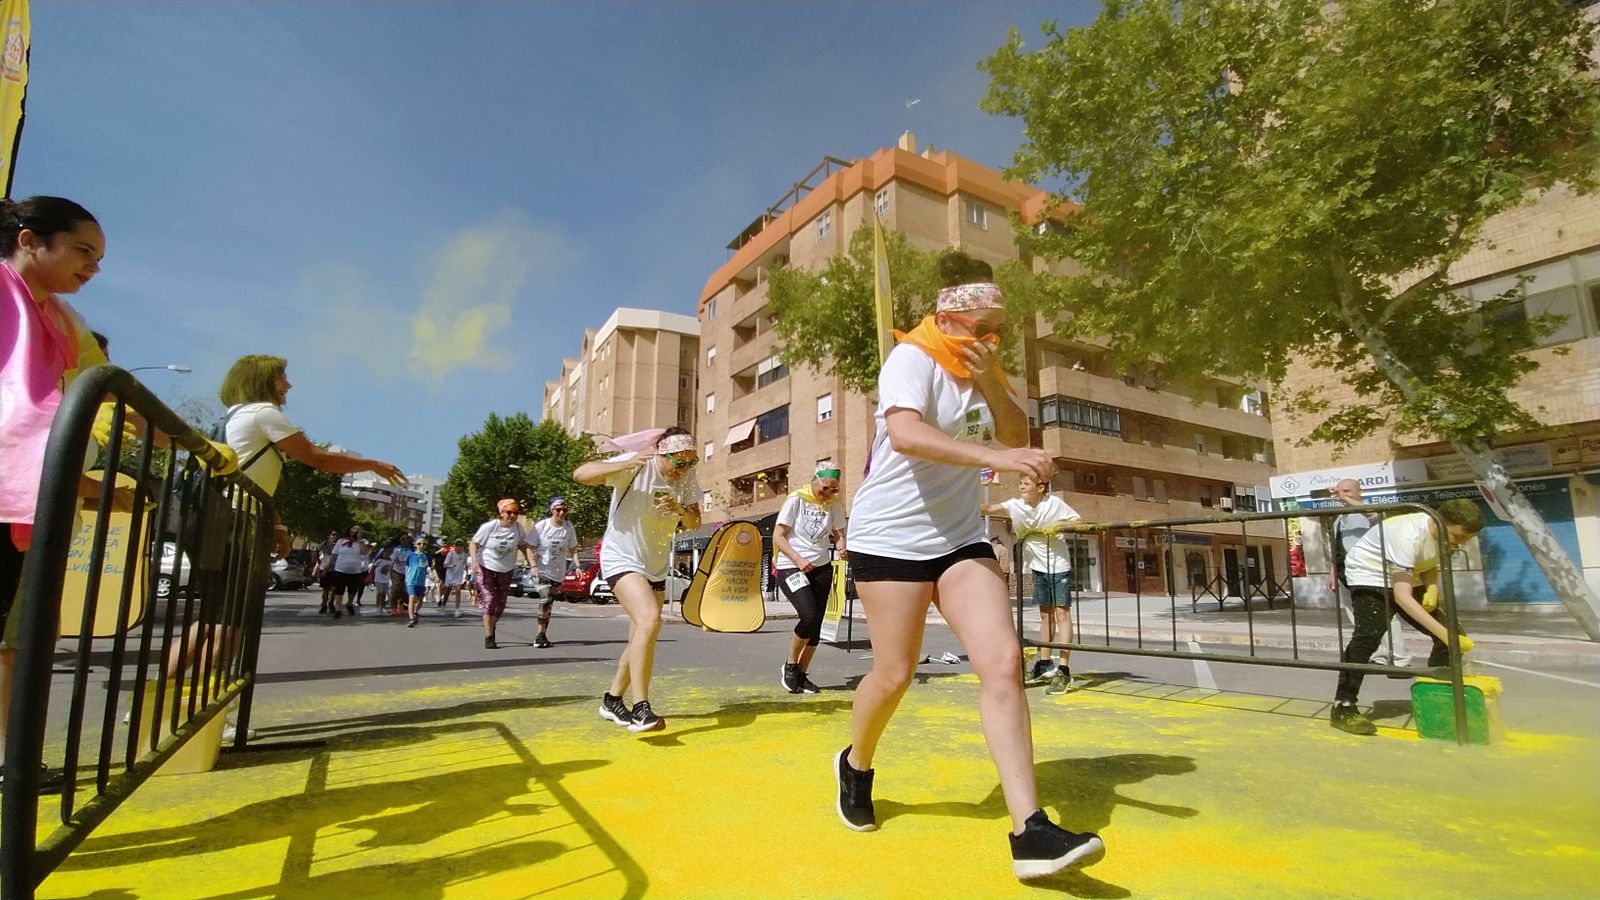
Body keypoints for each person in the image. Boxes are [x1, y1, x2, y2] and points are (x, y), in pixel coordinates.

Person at [833, 252, 1104, 879]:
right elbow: (904, 435)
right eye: (984, 326)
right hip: (890, 538)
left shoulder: (984, 365)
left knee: (1003, 662)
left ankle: (1030, 831)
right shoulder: (913, 358)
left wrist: (988, 383)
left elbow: (1016, 432)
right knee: (894, 675)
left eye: (999, 329)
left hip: (959, 539)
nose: (994, 337)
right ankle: (857, 763)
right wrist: (1000, 460)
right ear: (951, 315)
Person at [574, 426, 701, 734]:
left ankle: (612, 700)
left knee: (642, 637)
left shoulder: (685, 478)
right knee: (650, 620)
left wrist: (680, 509)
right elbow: (582, 473)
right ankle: (641, 708)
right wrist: (623, 463)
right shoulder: (637, 464)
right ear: (662, 453)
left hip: (654, 565)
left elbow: (695, 521)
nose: (683, 469)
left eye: (690, 462)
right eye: (678, 461)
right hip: (621, 556)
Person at [1329, 498, 1485, 736]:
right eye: (1457, 537)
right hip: (1369, 573)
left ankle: (1438, 695)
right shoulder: (1407, 534)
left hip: (1402, 572)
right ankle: (1344, 706)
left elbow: (1427, 560)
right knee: (1369, 635)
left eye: (1466, 539)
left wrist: (1432, 588)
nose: (1460, 543)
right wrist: (1445, 634)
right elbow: (1402, 597)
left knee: (1453, 635)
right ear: (1438, 522)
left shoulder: (1442, 533)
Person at [982, 473, 1081, 694]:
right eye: (1020, 483)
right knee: (1045, 616)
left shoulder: (1054, 503)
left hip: (1059, 565)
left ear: (1041, 487)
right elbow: (988, 509)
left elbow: (1079, 521)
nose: (1021, 487)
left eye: (1026, 484)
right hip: (1038, 566)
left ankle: (1063, 670)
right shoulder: (1015, 505)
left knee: (1062, 614)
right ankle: (1044, 664)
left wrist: (1059, 524)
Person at [773, 463, 847, 694]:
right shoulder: (796, 499)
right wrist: (797, 559)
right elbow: (778, 536)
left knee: (816, 623)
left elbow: (838, 533)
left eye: (834, 490)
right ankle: (791, 665)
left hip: (821, 566)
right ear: (814, 481)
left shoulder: (833, 504)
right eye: (825, 488)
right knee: (809, 615)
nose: (828, 494)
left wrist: (842, 545)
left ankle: (802, 674)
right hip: (792, 566)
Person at [1326, 478, 1408, 667]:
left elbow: (1373, 514)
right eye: (1339, 491)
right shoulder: (1338, 518)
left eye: (1347, 490)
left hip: (1370, 573)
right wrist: (1332, 572)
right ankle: (1378, 655)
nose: (1342, 495)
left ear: (1359, 491)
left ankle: (1399, 658)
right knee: (1360, 618)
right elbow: (1336, 547)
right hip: (1347, 574)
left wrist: (1347, 499)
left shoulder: (1368, 511)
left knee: (1386, 616)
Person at [469, 499, 540, 648]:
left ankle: (492, 625)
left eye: (515, 512)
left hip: (506, 569)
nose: (512, 515)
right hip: (486, 566)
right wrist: (474, 561)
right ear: (501, 513)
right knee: (490, 599)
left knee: (501, 604)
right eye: (509, 512)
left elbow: (522, 546)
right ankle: (489, 637)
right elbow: (474, 543)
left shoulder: (518, 528)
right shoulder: (491, 526)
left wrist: (532, 563)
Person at [531, 497, 579, 647]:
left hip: (558, 570)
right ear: (551, 510)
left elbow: (573, 548)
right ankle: (539, 635)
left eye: (564, 510)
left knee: (549, 603)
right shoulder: (541, 526)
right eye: (558, 510)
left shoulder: (568, 527)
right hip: (542, 570)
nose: (561, 513)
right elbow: (529, 546)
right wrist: (533, 565)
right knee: (545, 599)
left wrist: (577, 566)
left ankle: (543, 634)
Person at [328, 525, 369, 617]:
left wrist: (360, 539)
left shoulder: (362, 542)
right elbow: (334, 555)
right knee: (339, 591)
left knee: (352, 591)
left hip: (355, 572)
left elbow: (364, 553)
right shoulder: (341, 541)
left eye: (358, 530)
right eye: (353, 529)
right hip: (340, 570)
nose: (355, 531)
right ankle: (338, 610)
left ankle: (349, 603)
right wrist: (328, 567)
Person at [403, 536, 433, 628]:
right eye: (419, 544)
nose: (422, 545)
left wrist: (432, 575)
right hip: (411, 580)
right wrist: (406, 578)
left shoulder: (426, 556)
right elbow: (407, 567)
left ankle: (415, 612)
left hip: (421, 581)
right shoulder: (411, 555)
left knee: (420, 600)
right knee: (411, 598)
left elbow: (429, 567)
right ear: (416, 545)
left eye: (424, 544)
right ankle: (411, 618)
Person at [313, 531, 339, 618]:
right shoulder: (326, 545)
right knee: (325, 589)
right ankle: (324, 605)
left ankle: (331, 603)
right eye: (333, 535)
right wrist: (319, 562)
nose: (334, 536)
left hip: (335, 569)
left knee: (334, 588)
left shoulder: (339, 545)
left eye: (336, 535)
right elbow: (317, 548)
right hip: (324, 568)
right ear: (329, 536)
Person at [441, 540, 468, 616]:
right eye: (457, 545)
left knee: (458, 590)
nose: (459, 547)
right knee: (447, 592)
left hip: (458, 576)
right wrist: (451, 565)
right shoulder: (451, 554)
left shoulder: (464, 555)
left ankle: (457, 609)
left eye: (460, 545)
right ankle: (443, 606)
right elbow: (445, 564)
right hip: (450, 575)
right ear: (454, 546)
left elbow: (466, 565)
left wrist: (466, 573)